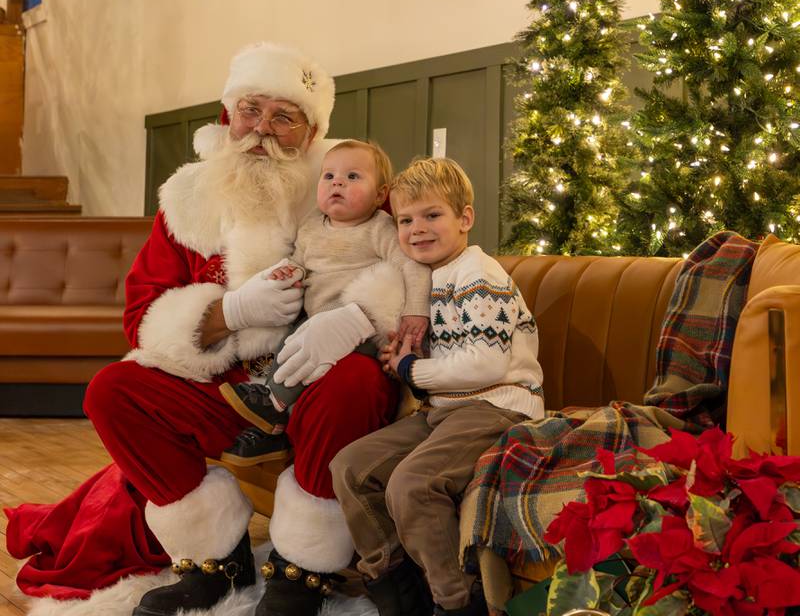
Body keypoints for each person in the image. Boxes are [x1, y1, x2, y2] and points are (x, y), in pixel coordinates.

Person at [5, 43, 399, 616]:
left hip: (319, 381)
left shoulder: (342, 182)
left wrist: (356, 316)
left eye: (284, 116)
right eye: (250, 109)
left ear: (312, 132)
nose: (261, 129)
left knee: (358, 382)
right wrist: (229, 313)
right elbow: (142, 314)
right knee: (112, 392)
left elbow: (407, 264)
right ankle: (215, 556)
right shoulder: (188, 200)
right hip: (228, 391)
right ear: (227, 114)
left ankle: (305, 569)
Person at [330, 158, 546, 616]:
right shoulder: (426, 277)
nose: (417, 229)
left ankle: (458, 602)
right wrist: (403, 360)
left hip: (497, 406)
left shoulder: (478, 275)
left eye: (432, 215)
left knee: (412, 483)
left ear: (464, 219)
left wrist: (412, 370)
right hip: (444, 411)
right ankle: (397, 588)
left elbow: (485, 364)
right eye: (406, 220)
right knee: (350, 468)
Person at [218, 139, 430, 465]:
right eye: (328, 176)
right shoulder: (311, 226)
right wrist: (290, 271)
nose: (338, 183)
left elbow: (411, 266)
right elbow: (302, 262)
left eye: (353, 177)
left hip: (358, 325)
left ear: (380, 194)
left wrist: (416, 310)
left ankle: (271, 406)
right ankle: (274, 425)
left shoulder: (379, 228)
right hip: (314, 318)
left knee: (312, 360)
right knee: (290, 349)